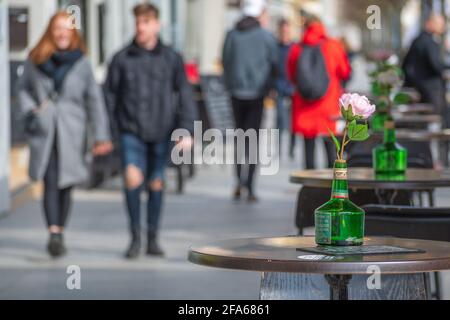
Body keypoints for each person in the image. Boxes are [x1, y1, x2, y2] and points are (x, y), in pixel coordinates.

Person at [104, 3, 197, 259]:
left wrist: (187, 130)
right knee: (132, 179)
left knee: (156, 183)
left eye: (146, 22)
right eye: (138, 23)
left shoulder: (171, 57)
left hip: (161, 130)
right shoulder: (121, 58)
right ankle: (135, 236)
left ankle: (152, 237)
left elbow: (184, 94)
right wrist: (108, 133)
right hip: (130, 130)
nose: (141, 27)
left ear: (157, 24)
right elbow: (109, 98)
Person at [17, 12, 113, 258]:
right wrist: (33, 110)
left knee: (66, 183)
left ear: (73, 33)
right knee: (50, 179)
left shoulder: (82, 63)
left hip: (72, 131)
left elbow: (94, 100)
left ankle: (59, 229)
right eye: (58, 28)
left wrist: (101, 134)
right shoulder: (35, 58)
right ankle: (54, 233)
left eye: (66, 29)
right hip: (45, 129)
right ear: (51, 31)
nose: (62, 33)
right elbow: (23, 90)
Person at [222, 0, 278, 202]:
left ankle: (238, 182)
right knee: (253, 140)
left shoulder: (232, 34)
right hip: (257, 95)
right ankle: (250, 186)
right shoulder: (266, 36)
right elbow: (275, 64)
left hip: (236, 93)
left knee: (239, 138)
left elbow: (225, 60)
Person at [287, 16, 351, 169]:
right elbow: (345, 72)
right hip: (328, 107)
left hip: (305, 107)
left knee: (308, 150)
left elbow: (291, 76)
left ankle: (310, 187)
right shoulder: (333, 46)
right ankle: (330, 186)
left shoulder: (297, 48)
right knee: (331, 149)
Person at [403, 14, 449, 127]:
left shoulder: (419, 39)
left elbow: (405, 64)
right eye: (440, 24)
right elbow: (436, 65)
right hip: (431, 87)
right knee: (435, 118)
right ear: (430, 24)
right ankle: (435, 142)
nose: (443, 28)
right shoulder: (428, 41)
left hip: (421, 85)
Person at [275, 19, 296, 158]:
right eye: (282, 30)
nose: (284, 33)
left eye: (287, 30)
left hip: (293, 88)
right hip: (279, 88)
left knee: (292, 121)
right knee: (280, 120)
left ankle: (291, 149)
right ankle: (279, 148)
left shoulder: (294, 47)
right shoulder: (275, 47)